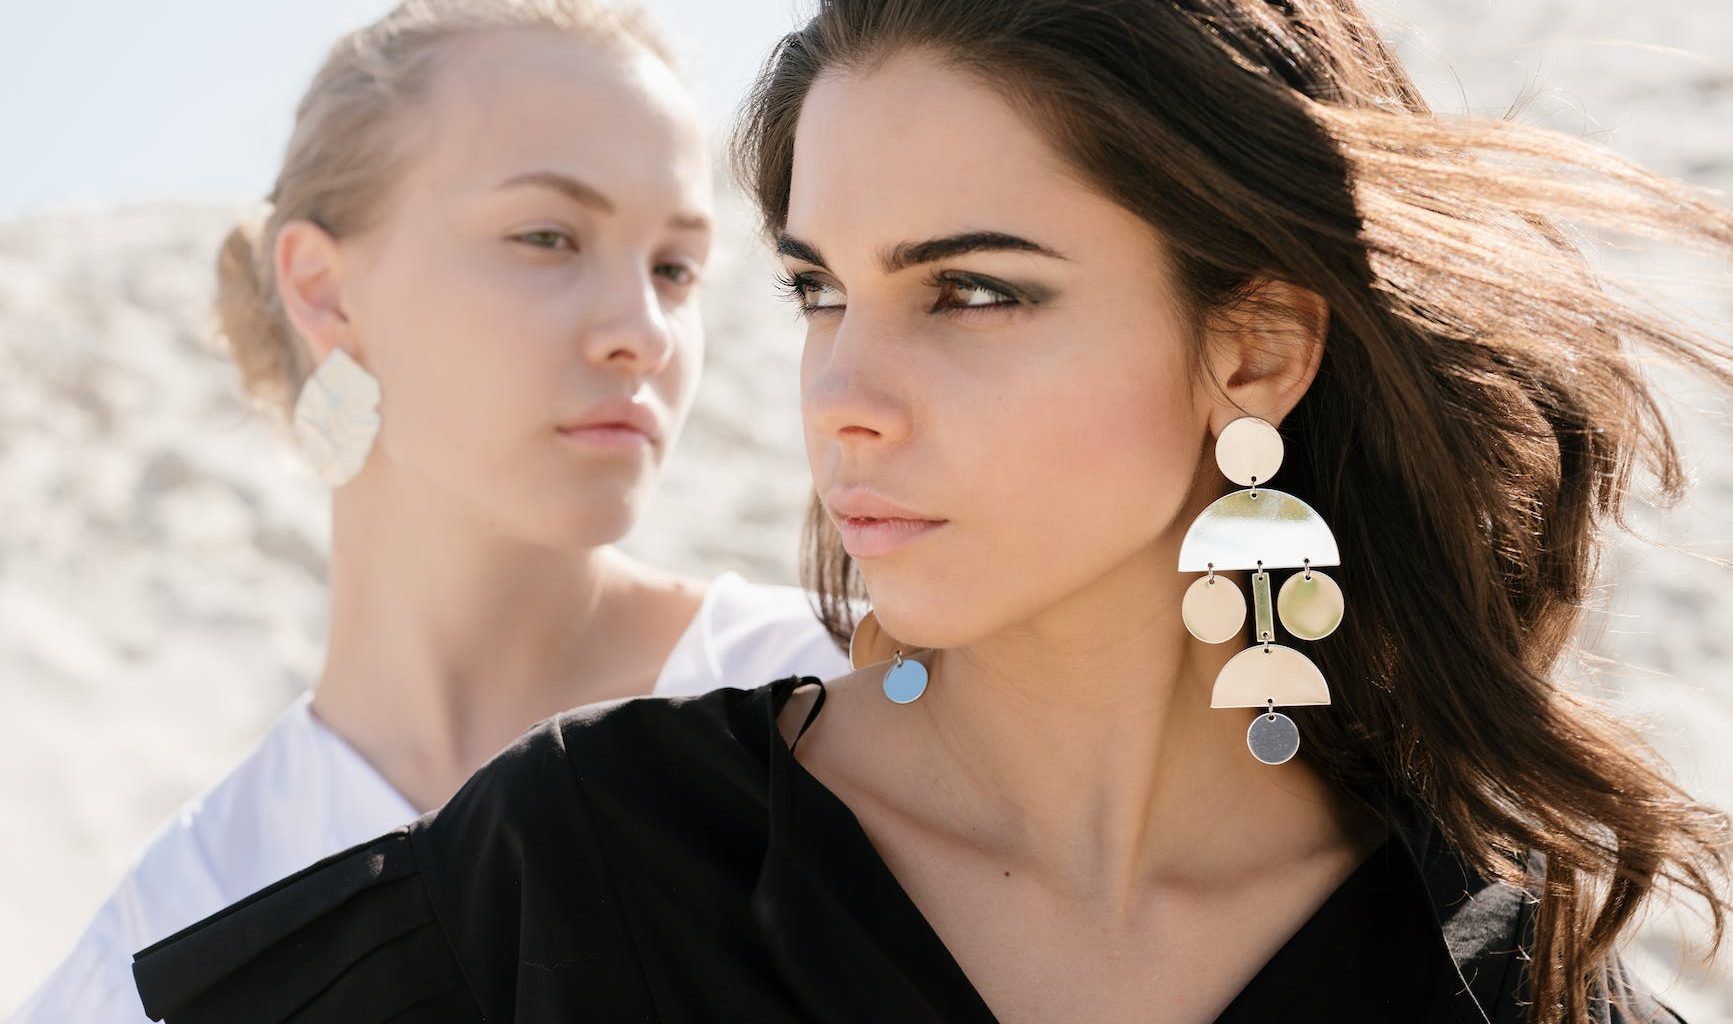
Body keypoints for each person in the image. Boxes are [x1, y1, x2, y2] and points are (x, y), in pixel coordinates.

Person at [130, 0, 1733, 1022]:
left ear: (1253, 348)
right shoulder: (578, 875)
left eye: (969, 290)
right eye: (823, 289)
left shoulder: (1490, 971)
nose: (843, 392)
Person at [12, 3, 849, 1022]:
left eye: (675, 267)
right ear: (323, 291)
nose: (644, 331)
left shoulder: (837, 701)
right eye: (548, 236)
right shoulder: (182, 919)